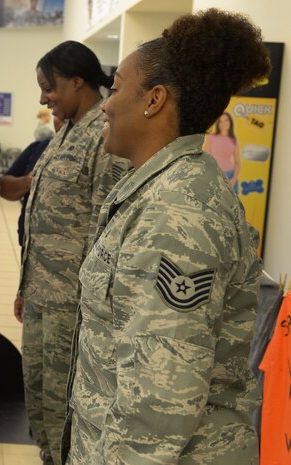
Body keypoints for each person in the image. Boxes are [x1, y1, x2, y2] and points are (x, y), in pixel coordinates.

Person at [65, 9, 270, 465]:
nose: (105, 104)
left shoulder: (177, 211)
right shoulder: (160, 187)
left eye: (116, 88)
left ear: (153, 100)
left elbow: (157, 403)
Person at [17, 41, 130, 465]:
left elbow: (107, 226)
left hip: (73, 305)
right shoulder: (65, 131)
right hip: (42, 295)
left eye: (50, 87)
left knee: (65, 407)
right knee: (39, 396)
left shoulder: (103, 137)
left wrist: (94, 309)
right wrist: (24, 287)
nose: (45, 97)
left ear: (77, 81)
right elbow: (43, 217)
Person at [0, 113, 65, 248]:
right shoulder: (38, 148)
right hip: (30, 243)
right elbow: (5, 187)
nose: (64, 121)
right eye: (59, 114)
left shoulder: (97, 154)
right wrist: (27, 182)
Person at [203, 112, 242, 192]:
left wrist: (234, 178)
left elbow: (237, 162)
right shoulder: (211, 137)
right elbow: (206, 158)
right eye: (220, 121)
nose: (223, 123)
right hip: (214, 175)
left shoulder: (234, 140)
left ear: (230, 122)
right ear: (218, 124)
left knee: (231, 204)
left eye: (226, 120)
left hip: (230, 176)